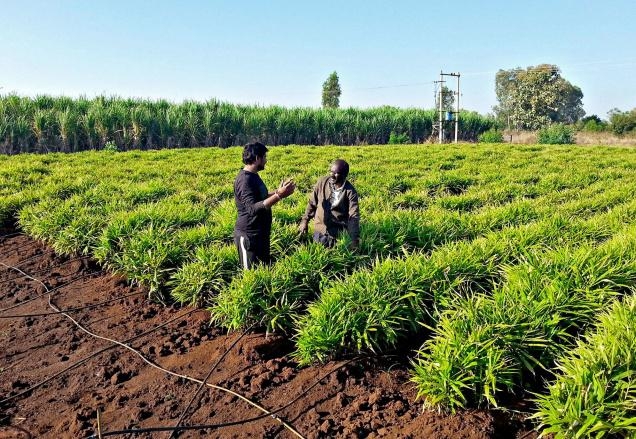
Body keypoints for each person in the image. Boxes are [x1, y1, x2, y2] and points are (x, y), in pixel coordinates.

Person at [234, 142, 295, 269]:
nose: (266, 161)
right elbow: (252, 209)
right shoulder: (245, 180)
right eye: (264, 157)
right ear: (257, 158)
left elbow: (260, 197)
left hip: (260, 234)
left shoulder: (253, 176)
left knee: (264, 270)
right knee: (250, 276)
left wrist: (277, 192)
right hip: (249, 236)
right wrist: (279, 196)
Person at [298, 159, 360, 249]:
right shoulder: (322, 183)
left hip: (338, 235)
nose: (332, 175)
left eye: (336, 173)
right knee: (317, 254)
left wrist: (354, 239)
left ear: (344, 175)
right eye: (331, 171)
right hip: (320, 230)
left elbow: (353, 216)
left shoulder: (350, 192)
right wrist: (304, 221)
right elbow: (312, 203)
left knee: (335, 257)